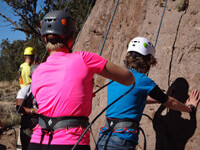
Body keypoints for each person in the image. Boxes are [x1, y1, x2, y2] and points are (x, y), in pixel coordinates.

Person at [28, 10, 135, 150]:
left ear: (45, 38)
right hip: (70, 143)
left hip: (37, 142)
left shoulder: (38, 70)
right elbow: (128, 79)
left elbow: (53, 100)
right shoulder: (84, 58)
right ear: (72, 37)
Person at [97, 37, 200, 150]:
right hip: (122, 139)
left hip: (104, 138)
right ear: (147, 63)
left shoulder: (115, 78)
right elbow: (170, 102)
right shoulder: (142, 80)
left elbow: (134, 100)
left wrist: (160, 99)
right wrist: (190, 108)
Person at [16, 65, 38, 150]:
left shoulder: (47, 89)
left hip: (44, 126)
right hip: (28, 127)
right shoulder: (26, 89)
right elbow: (19, 108)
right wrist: (34, 111)